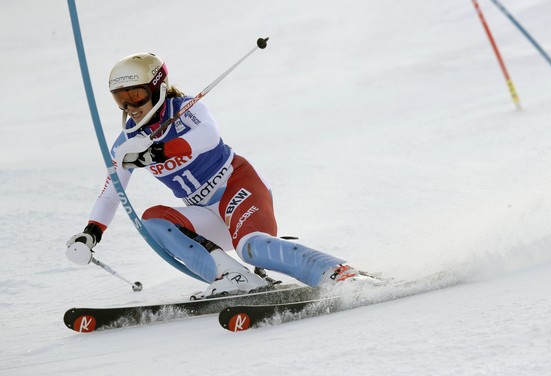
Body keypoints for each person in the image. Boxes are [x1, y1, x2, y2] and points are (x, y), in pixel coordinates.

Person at [66, 52, 374, 298]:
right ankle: (232, 277)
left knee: (250, 247)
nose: (130, 106)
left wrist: (158, 152)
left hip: (237, 187)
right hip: (205, 212)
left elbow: (209, 137)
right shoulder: (125, 145)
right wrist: (91, 233)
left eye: (136, 95)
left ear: (158, 87)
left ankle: (337, 272)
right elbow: (111, 194)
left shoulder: (185, 109)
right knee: (152, 221)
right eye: (121, 98)